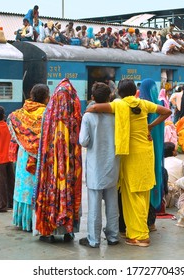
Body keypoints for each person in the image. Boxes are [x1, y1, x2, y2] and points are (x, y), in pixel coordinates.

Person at [86, 79, 171, 247]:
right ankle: (139, 232)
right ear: (135, 91)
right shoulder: (143, 103)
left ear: (119, 92)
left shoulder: (120, 105)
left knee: (132, 196)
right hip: (146, 153)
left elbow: (94, 107)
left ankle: (140, 236)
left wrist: (88, 110)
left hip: (131, 155)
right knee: (143, 193)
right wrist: (150, 126)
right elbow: (166, 111)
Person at [35, 78, 82, 243]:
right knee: (69, 189)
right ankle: (69, 230)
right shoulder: (76, 116)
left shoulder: (49, 115)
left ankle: (49, 230)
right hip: (70, 166)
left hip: (51, 168)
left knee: (52, 191)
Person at [78, 83, 120, 248]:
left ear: (93, 98)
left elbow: (83, 141)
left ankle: (93, 239)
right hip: (113, 164)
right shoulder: (116, 114)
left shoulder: (88, 116)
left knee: (94, 205)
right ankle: (113, 236)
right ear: (109, 97)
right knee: (112, 203)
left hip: (96, 166)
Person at [7, 84, 49, 232]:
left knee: (23, 188)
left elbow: (11, 120)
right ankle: (34, 221)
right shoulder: (46, 113)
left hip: (24, 154)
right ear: (46, 97)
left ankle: (22, 221)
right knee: (35, 188)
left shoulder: (20, 113)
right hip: (39, 157)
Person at [139, 78, 166, 231]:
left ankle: (144, 221)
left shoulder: (144, 107)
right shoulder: (160, 105)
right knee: (155, 178)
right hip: (157, 149)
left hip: (144, 150)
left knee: (145, 183)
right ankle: (152, 222)